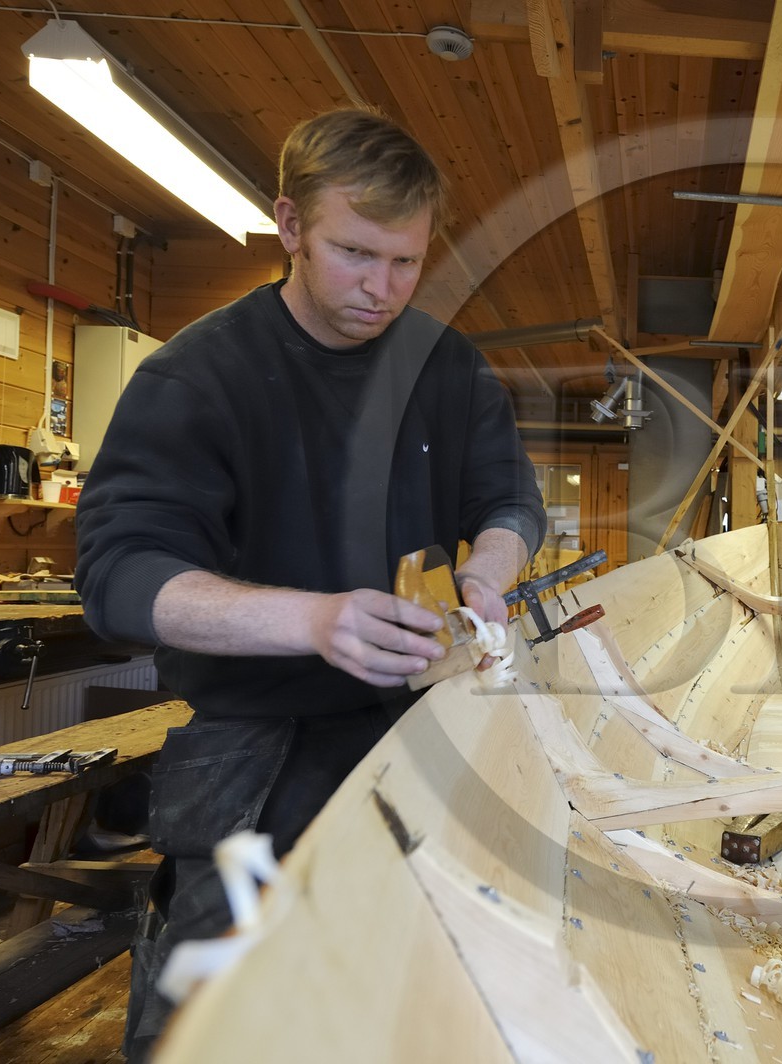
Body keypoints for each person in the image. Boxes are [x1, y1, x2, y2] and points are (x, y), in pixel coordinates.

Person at [74, 106, 545, 1058]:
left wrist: (488, 574)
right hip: (254, 755)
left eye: (406, 262)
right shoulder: (198, 376)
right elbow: (120, 576)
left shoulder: (445, 369)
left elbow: (510, 503)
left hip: (420, 735)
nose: (382, 289)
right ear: (289, 225)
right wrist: (313, 621)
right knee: (218, 1018)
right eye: (354, 254)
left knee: (423, 1003)